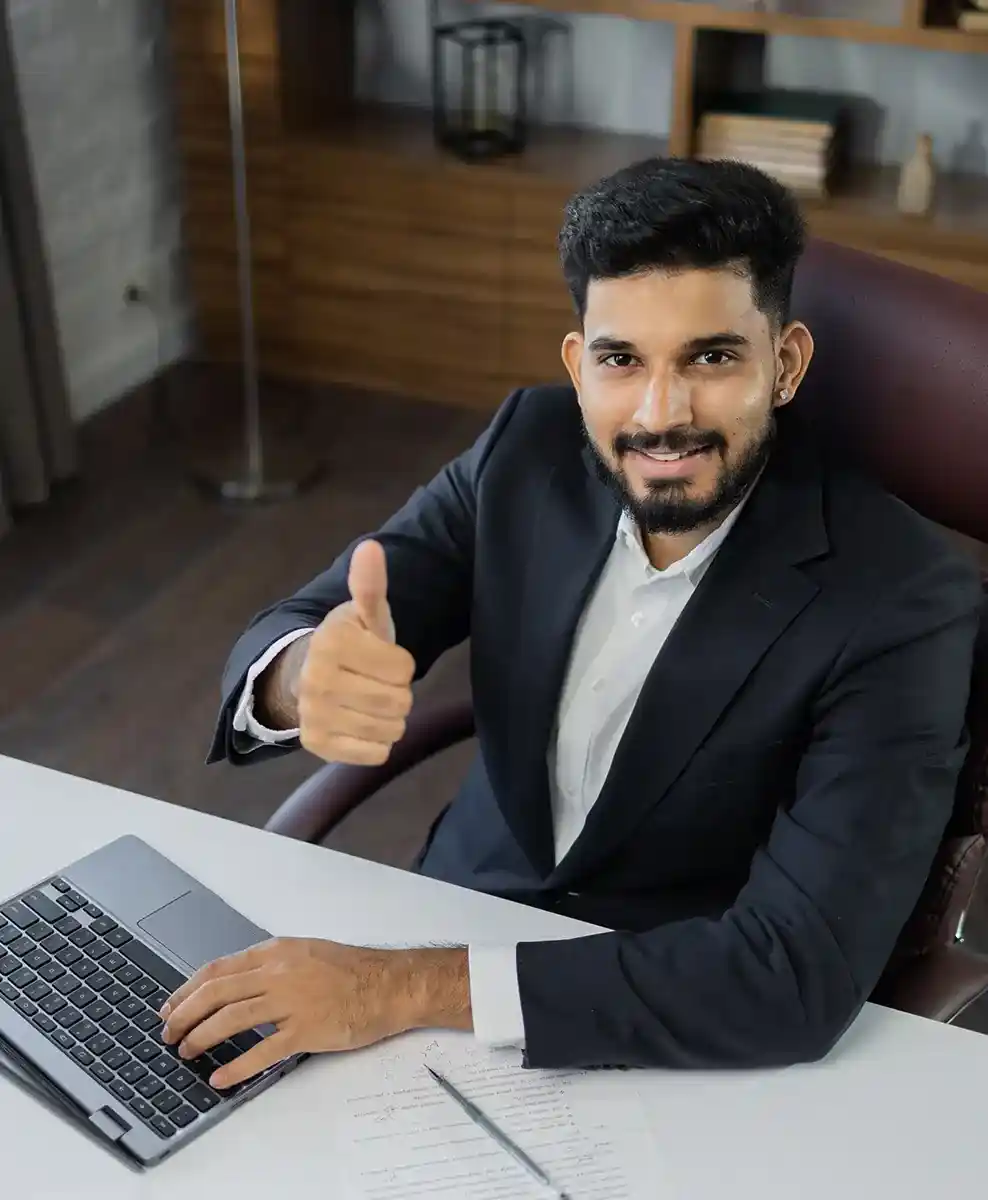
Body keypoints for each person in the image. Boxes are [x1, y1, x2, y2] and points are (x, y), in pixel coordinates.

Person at [158, 157, 981, 1093]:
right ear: (576, 363)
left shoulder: (906, 602)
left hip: (663, 1024)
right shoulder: (527, 448)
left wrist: (404, 989)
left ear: (785, 363)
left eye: (712, 357)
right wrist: (301, 677)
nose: (660, 416)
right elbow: (306, 623)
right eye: (621, 359)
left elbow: (789, 974)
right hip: (445, 918)